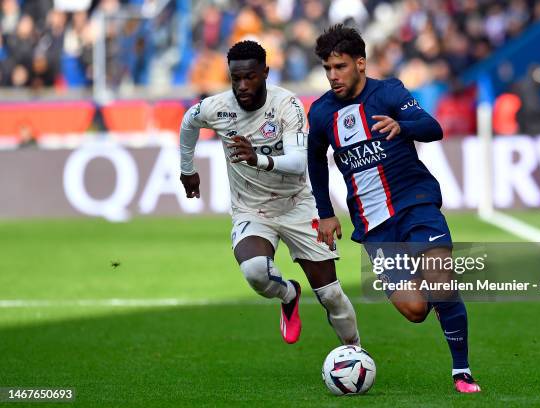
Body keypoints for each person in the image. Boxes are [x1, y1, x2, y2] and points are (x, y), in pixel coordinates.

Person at [307, 25, 481, 393]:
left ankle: (462, 372)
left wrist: (402, 126)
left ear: (360, 64)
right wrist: (325, 211)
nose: (333, 76)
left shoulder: (389, 93)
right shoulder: (322, 112)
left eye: (339, 67)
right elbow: (316, 162)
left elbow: (432, 128)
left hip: (415, 202)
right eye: (327, 69)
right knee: (416, 310)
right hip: (372, 225)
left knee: (441, 282)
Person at [179, 40, 360, 346]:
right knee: (255, 271)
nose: (242, 85)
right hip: (251, 209)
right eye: (235, 78)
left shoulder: (286, 105)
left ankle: (354, 352)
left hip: (297, 206)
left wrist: (258, 159)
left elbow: (299, 161)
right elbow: (189, 122)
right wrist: (187, 170)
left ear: (265, 72)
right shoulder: (217, 107)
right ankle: (288, 294)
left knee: (331, 294)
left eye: (249, 76)